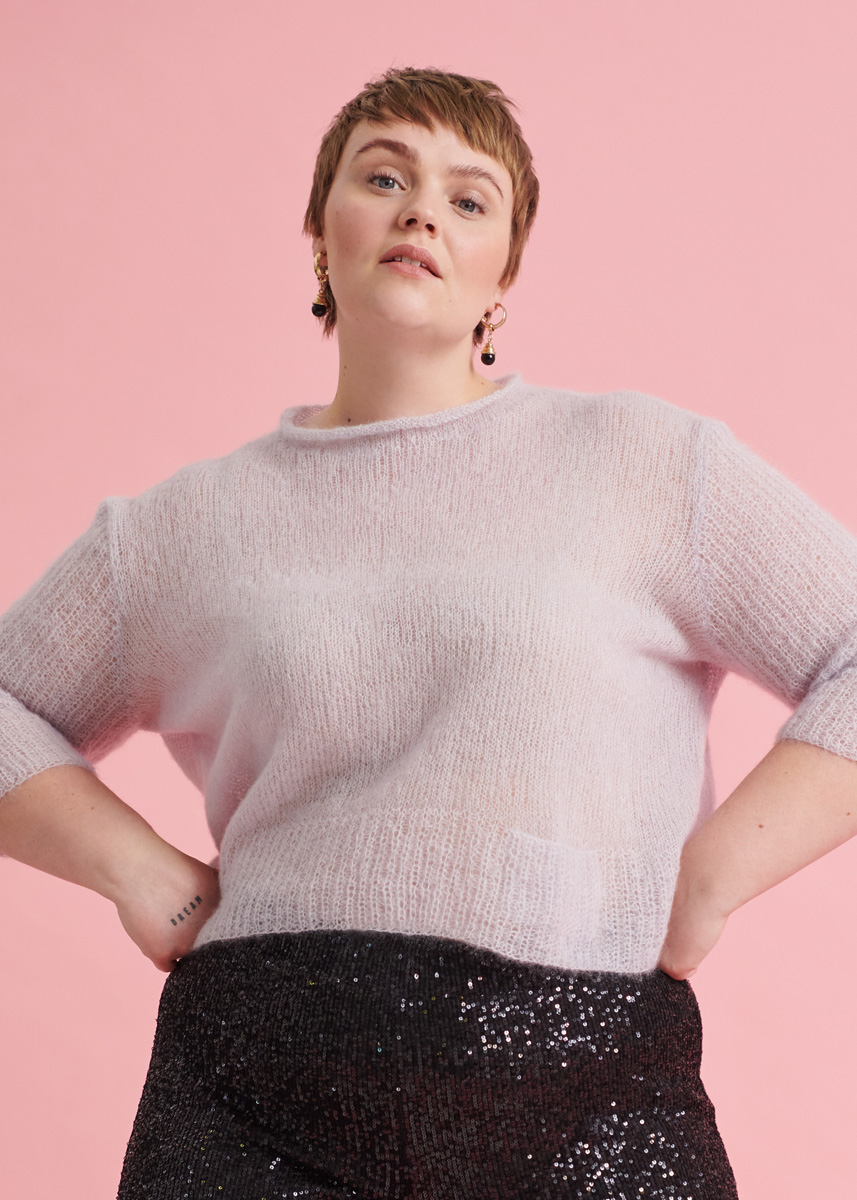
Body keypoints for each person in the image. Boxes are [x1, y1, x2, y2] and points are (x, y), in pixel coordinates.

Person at [1, 65, 857, 1200]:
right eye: (382, 177)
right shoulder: (179, 531)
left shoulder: (647, 467)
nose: (420, 212)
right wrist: (138, 871)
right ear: (320, 233)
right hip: (253, 1089)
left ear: (506, 271)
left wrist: (712, 874)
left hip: (588, 1085)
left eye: (467, 197)